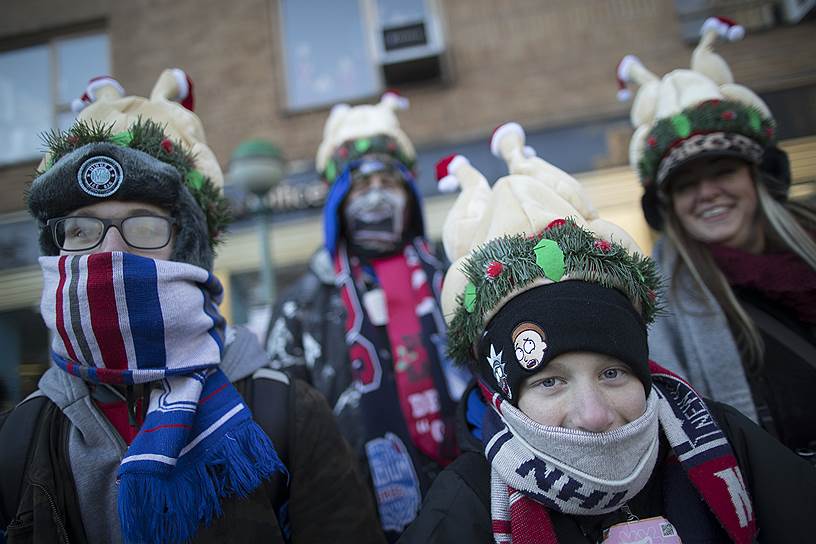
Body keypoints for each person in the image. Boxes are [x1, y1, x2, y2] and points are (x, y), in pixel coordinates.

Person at [0, 71, 383, 544]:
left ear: (188, 249)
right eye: (81, 230)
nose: (111, 253)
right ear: (57, 251)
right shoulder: (22, 436)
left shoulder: (284, 411)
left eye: (143, 227)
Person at [399, 122, 816, 543]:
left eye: (612, 372)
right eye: (550, 381)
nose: (594, 416)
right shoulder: (465, 505)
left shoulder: (727, 439)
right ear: (505, 394)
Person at [264, 92, 468, 539]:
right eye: (360, 185)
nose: (376, 197)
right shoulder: (300, 308)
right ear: (338, 199)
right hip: (354, 521)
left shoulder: (454, 280)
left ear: (411, 195)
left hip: (471, 507)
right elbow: (281, 438)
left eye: (389, 183)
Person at [618, 17, 816, 454]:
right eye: (686, 184)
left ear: (757, 178)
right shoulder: (659, 307)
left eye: (723, 170)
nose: (708, 193)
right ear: (668, 205)